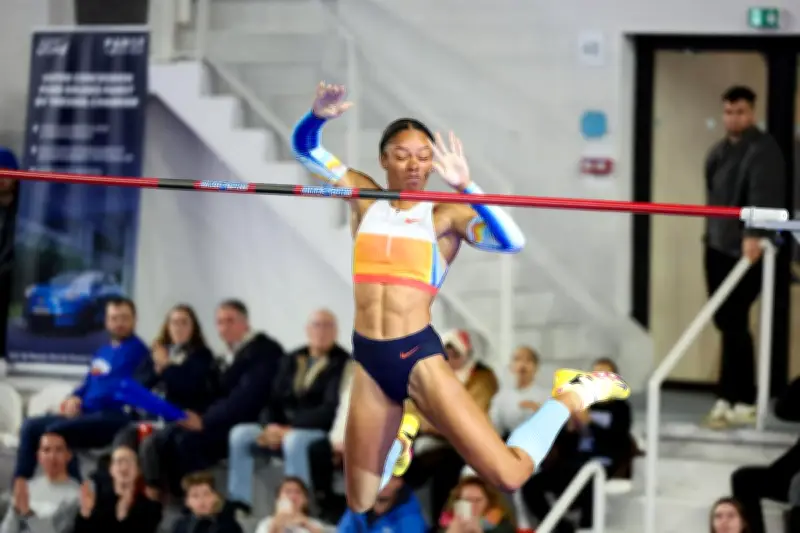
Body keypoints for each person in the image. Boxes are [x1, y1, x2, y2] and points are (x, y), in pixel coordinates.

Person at [290, 82, 631, 512]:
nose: (415, 165)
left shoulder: (445, 215)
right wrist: (317, 116)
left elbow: (512, 241)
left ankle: (569, 396)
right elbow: (305, 150)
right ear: (383, 159)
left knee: (509, 474)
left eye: (424, 156)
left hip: (416, 356)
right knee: (360, 501)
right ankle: (402, 434)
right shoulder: (362, 195)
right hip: (369, 359)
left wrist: (469, 188)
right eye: (402, 155)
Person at [703, 85, 786, 428]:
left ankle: (743, 397)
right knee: (724, 321)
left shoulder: (763, 149)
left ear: (752, 113)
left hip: (746, 247)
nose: (733, 118)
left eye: (739, 112)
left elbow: (765, 193)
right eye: (728, 112)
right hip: (716, 242)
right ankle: (728, 395)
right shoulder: (719, 150)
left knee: (735, 320)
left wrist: (755, 235)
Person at [73, 445, 162, 533]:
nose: (124, 467)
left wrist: (123, 514)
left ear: (139, 470)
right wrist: (85, 514)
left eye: (129, 462)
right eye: (119, 462)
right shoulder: (98, 503)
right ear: (111, 470)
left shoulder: (150, 507)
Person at [1, 433, 80, 533]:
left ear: (68, 455)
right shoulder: (28, 487)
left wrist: (28, 514)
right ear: (39, 456)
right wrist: (15, 510)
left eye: (59, 450)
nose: (52, 457)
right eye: (46, 450)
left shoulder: (76, 495)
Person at [337, 477, 426, 533]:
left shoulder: (411, 521)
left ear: (399, 482)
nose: (382, 483)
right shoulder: (358, 507)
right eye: (379, 477)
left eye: (389, 478)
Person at [437, 476, 516, 533]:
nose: (472, 505)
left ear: (489, 502)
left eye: (477, 500)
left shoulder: (503, 526)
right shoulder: (445, 525)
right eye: (467, 500)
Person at [172, 471, 242, 533]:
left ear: (216, 497)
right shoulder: (181, 526)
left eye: (206, 494)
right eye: (195, 496)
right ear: (187, 501)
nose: (202, 500)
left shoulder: (229, 527)